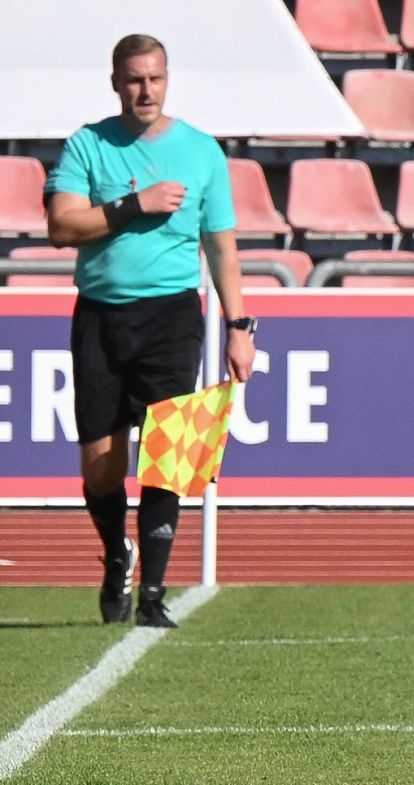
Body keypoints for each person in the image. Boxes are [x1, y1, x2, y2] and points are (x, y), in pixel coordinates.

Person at [45, 33, 256, 629]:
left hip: (171, 317)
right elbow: (61, 227)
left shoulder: (202, 151)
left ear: (168, 79)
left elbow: (222, 246)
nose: (146, 90)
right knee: (101, 465)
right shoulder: (88, 145)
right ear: (116, 82)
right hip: (101, 316)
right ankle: (118, 554)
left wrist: (239, 326)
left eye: (155, 78)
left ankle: (154, 597)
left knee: (168, 454)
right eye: (135, 79)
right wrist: (134, 204)